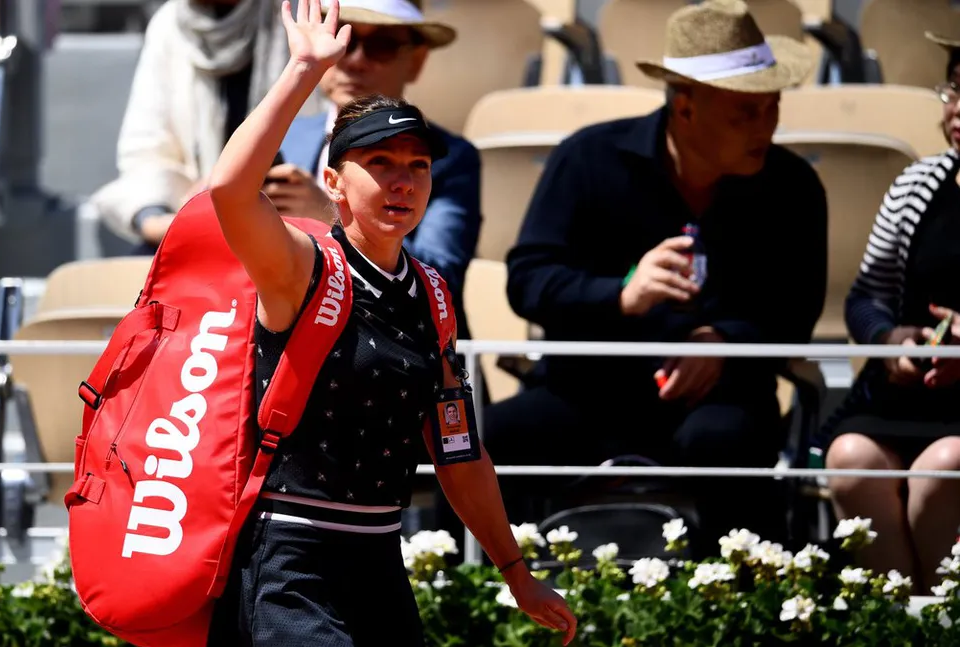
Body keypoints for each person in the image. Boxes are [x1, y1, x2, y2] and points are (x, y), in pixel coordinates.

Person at [203, 2, 577, 645]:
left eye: (418, 166)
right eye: (379, 164)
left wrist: (516, 571)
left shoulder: (431, 293)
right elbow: (230, 192)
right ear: (334, 183)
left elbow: (459, 451)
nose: (402, 182)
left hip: (379, 559)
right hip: (288, 559)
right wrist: (302, 69)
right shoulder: (300, 265)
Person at [483, 0, 828, 548]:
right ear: (685, 108)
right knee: (494, 438)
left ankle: (742, 610)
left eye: (772, 107)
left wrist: (723, 343)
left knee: (727, 442)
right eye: (745, 113)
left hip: (723, 399)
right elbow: (528, 280)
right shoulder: (588, 159)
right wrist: (622, 294)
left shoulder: (792, 187)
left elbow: (797, 304)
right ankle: (490, 602)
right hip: (590, 392)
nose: (766, 127)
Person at [819, 30, 960, 594]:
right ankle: (891, 624)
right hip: (905, 396)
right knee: (850, 459)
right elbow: (866, 298)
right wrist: (891, 337)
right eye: (953, 90)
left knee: (944, 466)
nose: (958, 109)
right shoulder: (917, 184)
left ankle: (940, 621)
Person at [274, 0, 481, 341]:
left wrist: (329, 215)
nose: (355, 60)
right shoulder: (283, 135)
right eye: (344, 39)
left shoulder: (452, 157)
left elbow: (441, 276)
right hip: (294, 351)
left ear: (416, 61)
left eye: (381, 46)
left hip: (411, 357)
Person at [88, 0, 321, 252]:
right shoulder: (170, 25)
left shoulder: (298, 14)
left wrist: (317, 206)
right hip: (197, 224)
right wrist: (158, 220)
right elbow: (146, 153)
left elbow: (326, 131)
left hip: (289, 223)